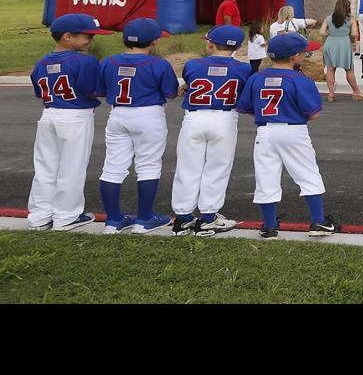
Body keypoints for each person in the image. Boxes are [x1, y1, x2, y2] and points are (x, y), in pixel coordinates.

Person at [243, 32, 340, 239]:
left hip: (265, 131)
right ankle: (318, 221)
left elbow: (247, 107)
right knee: (307, 174)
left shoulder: (256, 77)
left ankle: (269, 226)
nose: (306, 55)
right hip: (293, 130)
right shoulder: (299, 80)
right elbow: (314, 113)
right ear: (294, 56)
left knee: (266, 177)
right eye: (303, 53)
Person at [27, 15, 113, 231]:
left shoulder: (42, 62)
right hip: (76, 116)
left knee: (46, 167)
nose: (91, 41)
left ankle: (39, 216)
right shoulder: (86, 61)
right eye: (87, 36)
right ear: (67, 36)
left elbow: (40, 92)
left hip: (49, 115)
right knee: (72, 168)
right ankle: (67, 216)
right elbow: (95, 90)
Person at [95, 17, 179, 233]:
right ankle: (144, 219)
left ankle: (113, 221)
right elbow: (170, 93)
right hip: (148, 115)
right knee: (148, 165)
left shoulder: (108, 61)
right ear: (154, 41)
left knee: (113, 167)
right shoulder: (159, 64)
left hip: (118, 114)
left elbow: (100, 91)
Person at [171, 26, 254, 236]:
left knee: (187, 167)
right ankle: (208, 217)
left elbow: (192, 82)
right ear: (237, 46)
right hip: (224, 119)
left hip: (194, 118)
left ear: (210, 43)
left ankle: (183, 218)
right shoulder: (243, 69)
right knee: (217, 168)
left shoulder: (192, 65)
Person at [321, 0, 363, 102]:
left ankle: (331, 93)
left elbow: (322, 32)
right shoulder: (351, 19)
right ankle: (356, 92)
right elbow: (354, 34)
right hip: (344, 44)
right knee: (349, 69)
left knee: (330, 69)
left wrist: (331, 33)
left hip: (330, 43)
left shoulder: (329, 18)